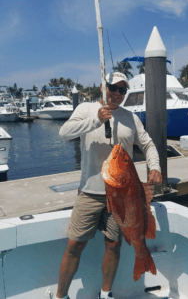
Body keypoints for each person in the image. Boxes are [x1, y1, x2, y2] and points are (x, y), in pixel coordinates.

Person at [56, 72, 162, 299]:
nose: (116, 93)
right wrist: (96, 119)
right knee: (74, 244)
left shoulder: (130, 118)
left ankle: (106, 293)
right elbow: (64, 133)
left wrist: (155, 167)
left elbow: (148, 144)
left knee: (114, 245)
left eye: (122, 90)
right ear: (103, 86)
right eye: (112, 87)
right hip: (90, 192)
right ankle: (60, 296)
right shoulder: (86, 109)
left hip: (124, 195)